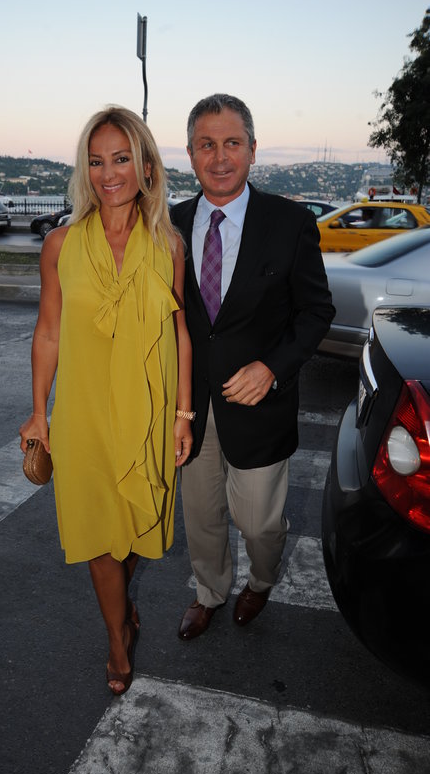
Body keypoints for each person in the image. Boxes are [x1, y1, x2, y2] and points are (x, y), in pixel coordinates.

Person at [19, 106, 193, 695]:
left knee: (137, 526)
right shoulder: (60, 244)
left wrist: (183, 415)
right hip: (84, 414)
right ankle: (118, 638)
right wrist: (39, 411)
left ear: (146, 166)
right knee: (98, 535)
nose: (109, 173)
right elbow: (48, 332)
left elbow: (180, 333)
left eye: (121, 159)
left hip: (149, 411)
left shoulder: (168, 244)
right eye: (96, 162)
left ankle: (121, 608)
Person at [170, 94, 335, 640]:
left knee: (260, 523)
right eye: (206, 144)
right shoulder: (169, 225)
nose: (220, 157)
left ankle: (261, 581)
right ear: (190, 154)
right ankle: (209, 591)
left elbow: (316, 311)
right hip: (190, 407)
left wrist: (272, 367)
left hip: (261, 406)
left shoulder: (289, 222)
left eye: (232, 143)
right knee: (201, 516)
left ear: (253, 150)